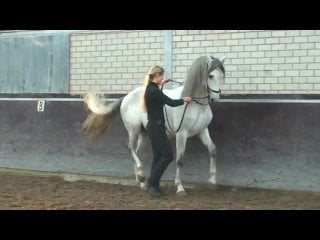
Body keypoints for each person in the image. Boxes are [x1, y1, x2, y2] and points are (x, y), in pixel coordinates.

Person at [140, 66, 192, 197]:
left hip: (156, 127)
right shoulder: (153, 91)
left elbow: (159, 99)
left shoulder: (152, 89)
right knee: (168, 155)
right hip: (156, 128)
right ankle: (151, 182)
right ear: (156, 75)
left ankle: (154, 189)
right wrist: (184, 100)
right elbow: (170, 102)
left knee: (158, 156)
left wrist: (161, 86)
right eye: (161, 76)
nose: (162, 78)